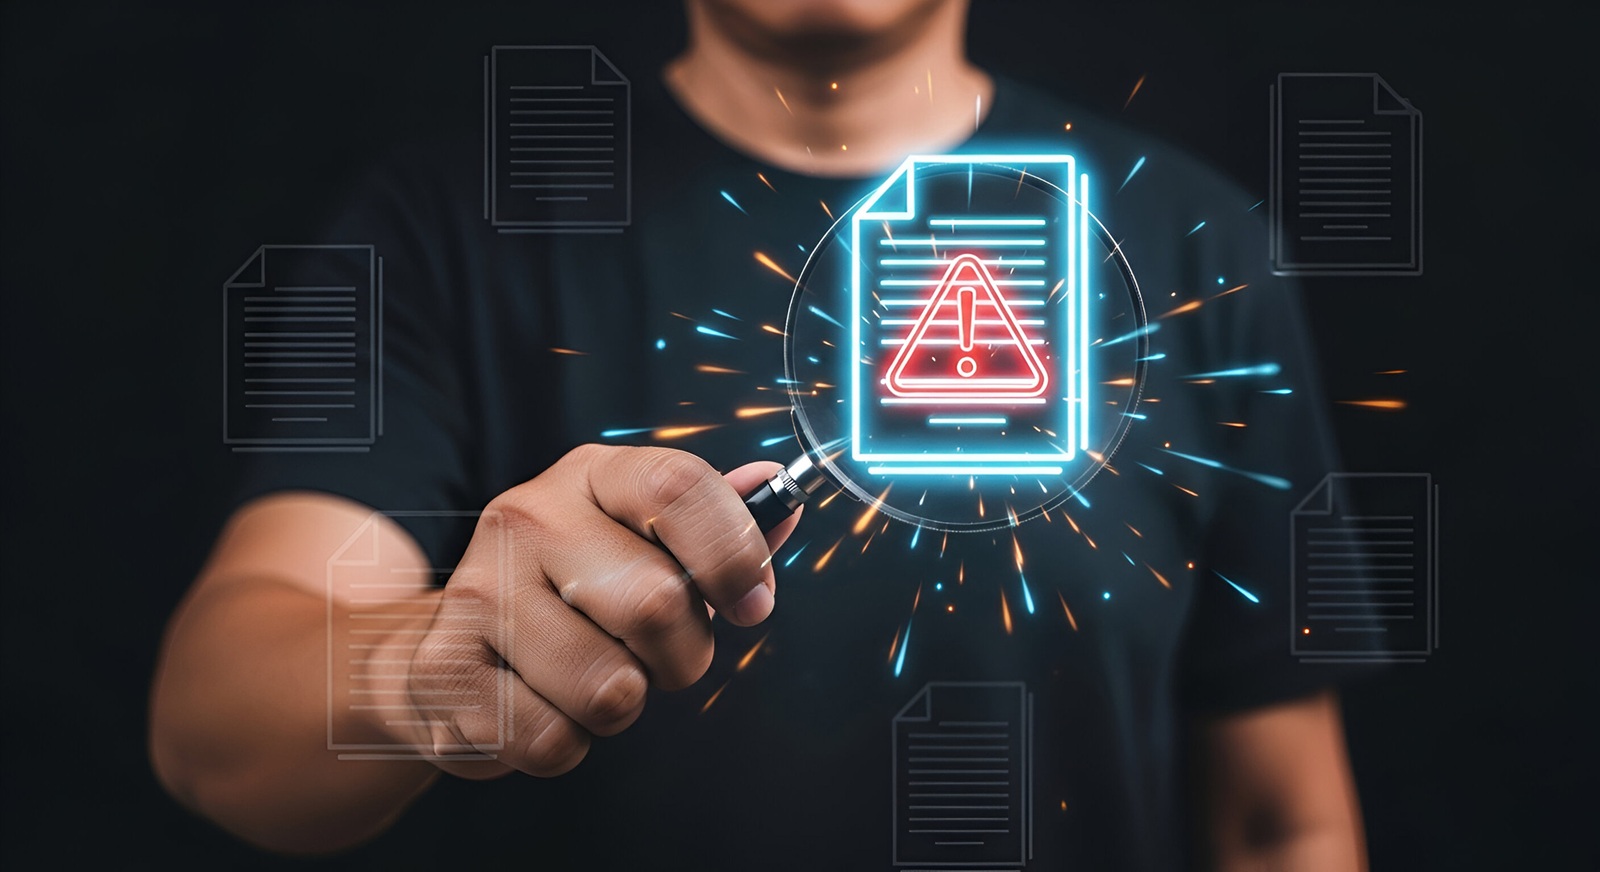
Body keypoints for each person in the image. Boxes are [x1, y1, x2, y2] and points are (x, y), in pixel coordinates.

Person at [150, 1, 1370, 868]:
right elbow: (216, 728)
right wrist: (414, 667)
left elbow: (1282, 819)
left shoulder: (1195, 249)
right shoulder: (436, 231)